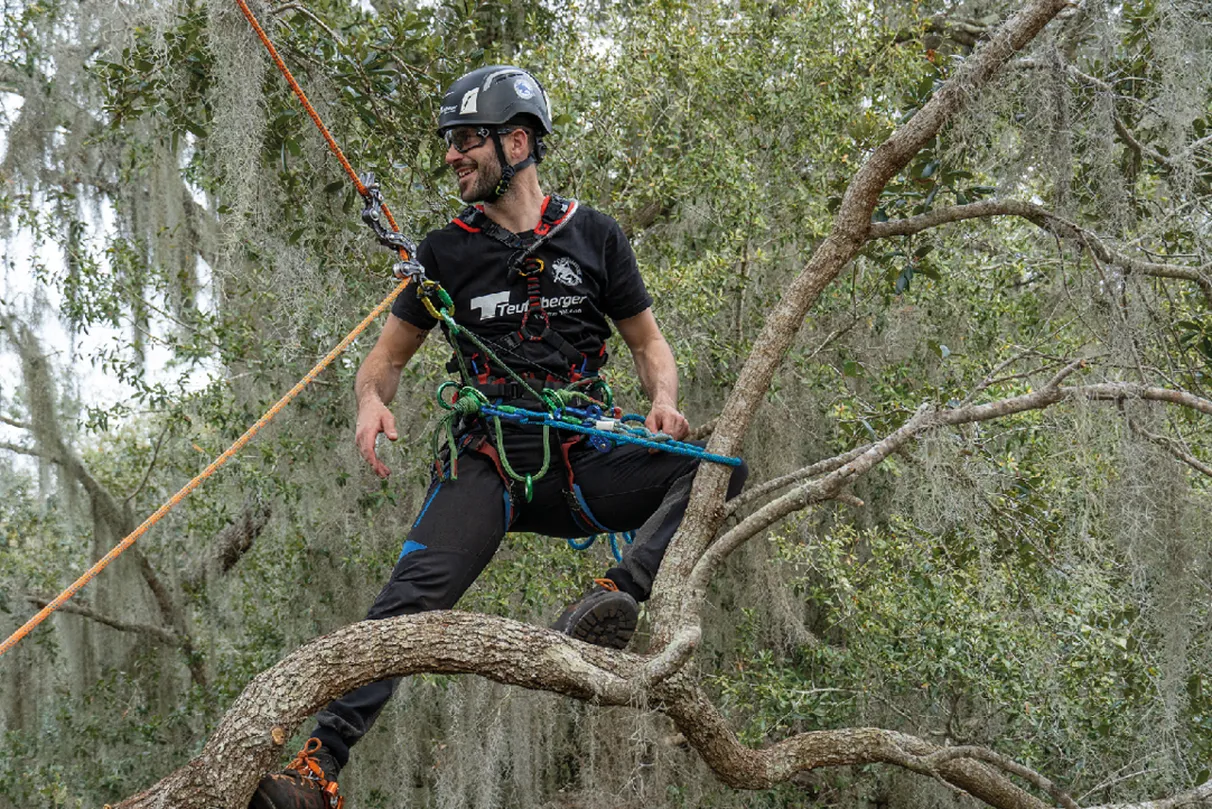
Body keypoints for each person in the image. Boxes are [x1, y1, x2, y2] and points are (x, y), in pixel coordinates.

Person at [250, 65, 748, 809]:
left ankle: (613, 596)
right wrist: (369, 403)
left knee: (717, 468)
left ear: (517, 141)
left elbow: (649, 345)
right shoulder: (443, 252)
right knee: (403, 610)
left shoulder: (595, 235)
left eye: (466, 141)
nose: (452, 156)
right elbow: (383, 361)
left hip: (581, 459)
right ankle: (316, 774)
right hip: (486, 462)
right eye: (449, 143)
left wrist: (665, 404)